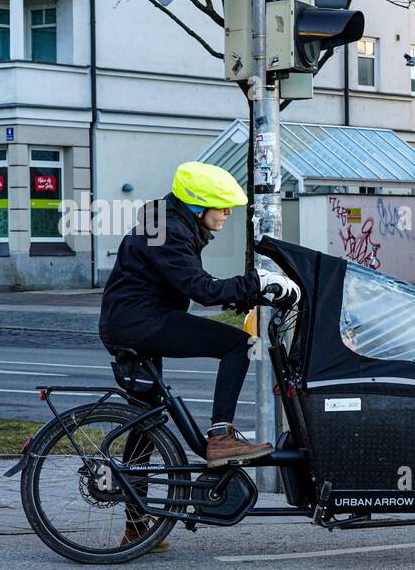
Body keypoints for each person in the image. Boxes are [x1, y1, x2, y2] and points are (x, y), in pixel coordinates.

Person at [99, 162, 300, 546]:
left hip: (133, 321)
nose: (227, 213)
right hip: (142, 324)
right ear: (197, 206)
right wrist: (259, 283)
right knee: (237, 345)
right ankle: (220, 436)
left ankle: (137, 526)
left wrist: (250, 291)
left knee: (145, 425)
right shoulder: (169, 230)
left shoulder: (167, 222)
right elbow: (203, 290)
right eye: (222, 206)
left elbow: (191, 283)